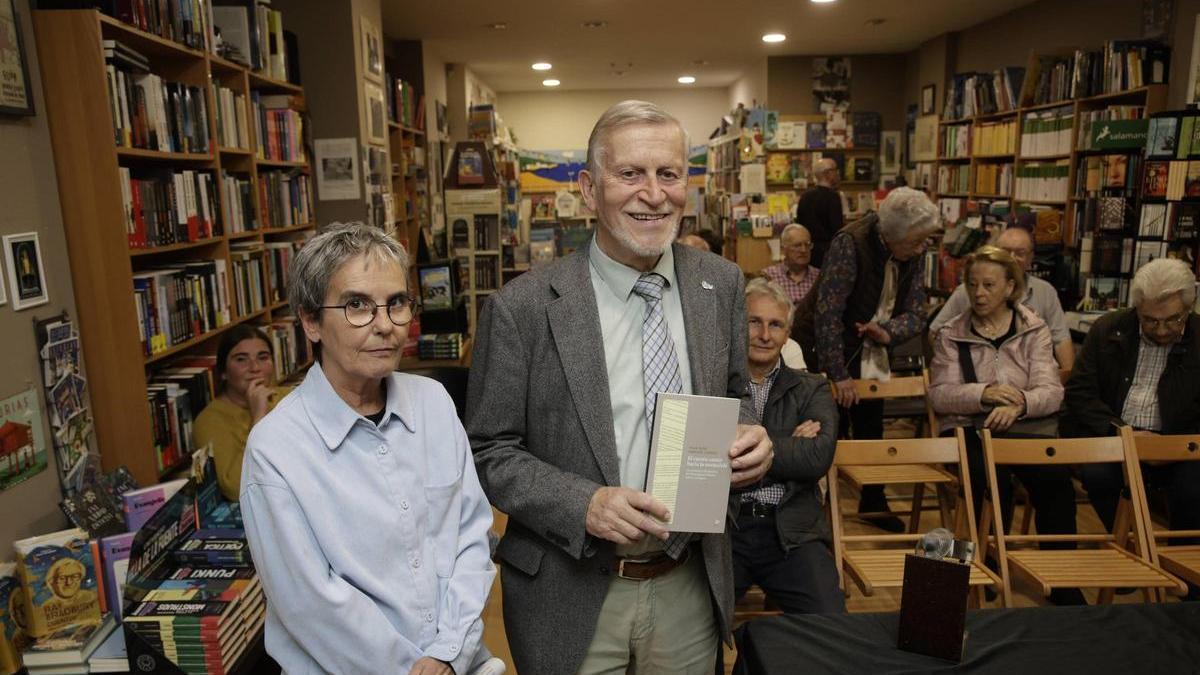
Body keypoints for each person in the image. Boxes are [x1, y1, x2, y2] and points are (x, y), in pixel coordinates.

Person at [467, 100, 773, 675]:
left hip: (689, 583)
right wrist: (581, 503)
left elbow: (735, 398)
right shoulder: (523, 309)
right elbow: (489, 452)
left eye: (669, 174)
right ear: (588, 189)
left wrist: (752, 436)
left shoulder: (722, 284)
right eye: (630, 174)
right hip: (572, 588)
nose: (653, 194)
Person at [240, 223, 498, 675]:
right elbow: (311, 604)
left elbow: (472, 537)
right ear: (310, 322)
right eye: (357, 305)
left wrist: (448, 653)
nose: (384, 325)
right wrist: (418, 669)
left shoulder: (433, 403)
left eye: (396, 303)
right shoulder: (275, 449)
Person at [928, 246, 1082, 605]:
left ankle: (1062, 579)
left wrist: (1021, 404)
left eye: (989, 285)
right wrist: (985, 394)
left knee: (1057, 484)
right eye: (972, 284)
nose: (979, 293)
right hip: (969, 427)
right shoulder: (952, 332)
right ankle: (987, 560)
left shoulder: (1034, 328)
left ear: (1010, 286)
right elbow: (940, 394)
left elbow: (1052, 390)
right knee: (988, 480)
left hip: (1024, 427)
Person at [792, 187, 940, 532]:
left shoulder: (914, 251)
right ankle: (820, 512)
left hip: (872, 346)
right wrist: (838, 373)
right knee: (831, 425)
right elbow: (827, 315)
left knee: (872, 423)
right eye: (916, 242)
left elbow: (918, 313)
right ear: (893, 235)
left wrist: (889, 331)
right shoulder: (851, 243)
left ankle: (873, 499)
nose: (922, 249)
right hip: (825, 346)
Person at [1064, 258, 1200, 547]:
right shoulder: (1107, 330)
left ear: (1189, 308)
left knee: (1192, 489)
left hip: (1182, 443)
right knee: (1097, 474)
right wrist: (1122, 432)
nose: (1162, 330)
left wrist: (1171, 445)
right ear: (1137, 309)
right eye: (1150, 320)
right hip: (1117, 435)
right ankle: (1130, 547)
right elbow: (1080, 392)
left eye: (1174, 319)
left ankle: (1183, 562)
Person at [736, 278, 842, 614]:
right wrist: (788, 447)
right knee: (695, 632)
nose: (765, 335)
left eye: (776, 325)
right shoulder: (713, 383)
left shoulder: (812, 388)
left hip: (793, 532)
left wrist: (739, 456)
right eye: (754, 322)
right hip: (725, 529)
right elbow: (700, 456)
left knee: (832, 624)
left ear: (788, 333)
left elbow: (816, 458)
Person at [929, 226, 1074, 371]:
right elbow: (936, 333)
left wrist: (1067, 379)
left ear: (1030, 258)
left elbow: (1061, 339)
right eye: (1005, 252)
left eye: (1020, 253)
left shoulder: (1045, 291)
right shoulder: (967, 291)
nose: (1011, 258)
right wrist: (959, 367)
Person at [193, 326, 290, 501]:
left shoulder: (289, 397)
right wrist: (258, 417)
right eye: (241, 359)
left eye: (263, 357)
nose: (254, 367)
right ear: (223, 372)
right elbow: (235, 488)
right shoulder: (209, 421)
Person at [794, 158, 843, 268]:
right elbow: (837, 230)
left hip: (807, 250)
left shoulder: (805, 196)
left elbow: (799, 226)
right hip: (828, 252)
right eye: (835, 170)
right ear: (827, 173)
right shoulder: (833, 197)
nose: (837, 173)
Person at [761, 224, 820, 306]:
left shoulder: (819, 277)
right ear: (783, 249)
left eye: (807, 245)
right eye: (797, 245)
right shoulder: (768, 277)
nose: (803, 250)